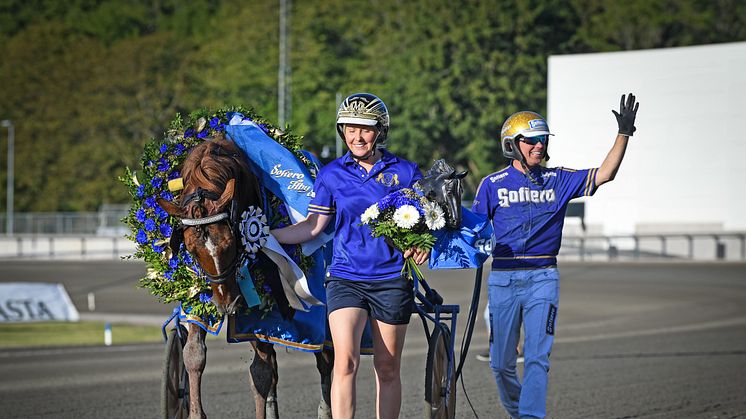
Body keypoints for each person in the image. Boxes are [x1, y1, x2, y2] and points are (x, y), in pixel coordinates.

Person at [472, 94, 639, 418]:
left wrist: (624, 134)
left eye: (542, 140)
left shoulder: (558, 179)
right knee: (501, 364)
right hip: (503, 280)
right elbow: (474, 228)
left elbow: (604, 174)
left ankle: (532, 417)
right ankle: (520, 413)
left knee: (536, 357)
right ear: (512, 145)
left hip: (543, 279)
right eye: (531, 141)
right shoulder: (491, 184)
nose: (538, 146)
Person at [271, 92, 428, 419]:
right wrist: (265, 237)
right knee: (345, 361)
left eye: (365, 129)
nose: (356, 136)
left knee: (386, 367)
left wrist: (422, 244)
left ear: (380, 131)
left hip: (391, 280)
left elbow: (426, 223)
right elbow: (313, 226)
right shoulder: (331, 174)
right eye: (349, 128)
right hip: (345, 278)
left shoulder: (406, 172)